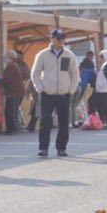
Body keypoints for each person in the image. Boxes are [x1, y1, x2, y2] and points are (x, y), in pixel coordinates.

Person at [32, 28, 81, 156]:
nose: (61, 41)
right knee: (45, 121)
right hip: (47, 93)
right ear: (52, 39)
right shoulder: (42, 55)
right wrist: (41, 89)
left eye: (63, 38)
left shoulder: (69, 55)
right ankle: (43, 148)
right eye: (59, 38)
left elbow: (75, 74)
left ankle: (61, 148)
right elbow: (35, 74)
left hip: (64, 94)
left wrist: (71, 90)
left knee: (64, 122)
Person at [0, 48, 28, 135]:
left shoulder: (11, 66)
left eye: (6, 58)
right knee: (10, 110)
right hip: (15, 92)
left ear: (11, 58)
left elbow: (7, 79)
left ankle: (12, 128)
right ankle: (11, 128)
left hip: (14, 92)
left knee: (11, 110)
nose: (4, 59)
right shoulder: (13, 66)